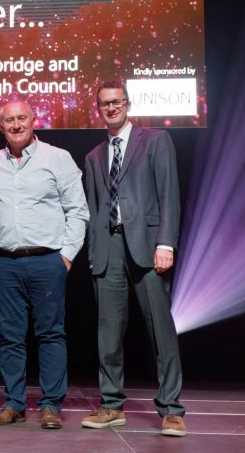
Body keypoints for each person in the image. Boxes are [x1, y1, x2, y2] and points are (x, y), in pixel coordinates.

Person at [82, 81, 186, 437]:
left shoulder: (154, 141)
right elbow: (96, 209)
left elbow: (168, 194)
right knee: (107, 332)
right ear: (98, 109)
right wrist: (94, 251)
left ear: (127, 104)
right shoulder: (94, 156)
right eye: (104, 104)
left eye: (117, 102)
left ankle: (171, 409)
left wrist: (166, 244)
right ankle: (111, 405)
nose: (111, 108)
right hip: (108, 247)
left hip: (147, 244)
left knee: (160, 329)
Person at [0, 100, 89, 429]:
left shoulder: (57, 158)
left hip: (48, 260)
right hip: (5, 261)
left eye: (21, 118)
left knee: (50, 334)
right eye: (9, 120)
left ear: (34, 121)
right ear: (0, 126)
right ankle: (14, 403)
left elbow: (78, 211)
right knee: (10, 337)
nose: (16, 125)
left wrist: (67, 256)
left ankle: (51, 405)